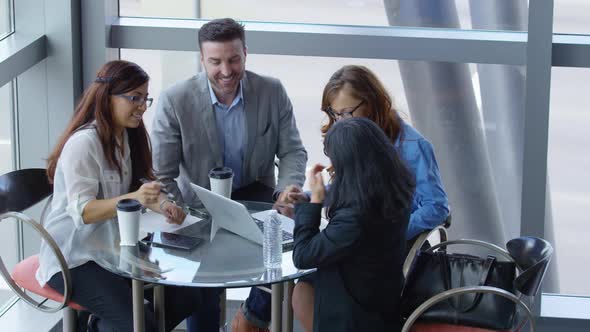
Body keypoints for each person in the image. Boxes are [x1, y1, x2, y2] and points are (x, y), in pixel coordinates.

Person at [150, 18, 307, 332]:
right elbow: (162, 174)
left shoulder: (271, 91)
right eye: (215, 61)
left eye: (234, 59)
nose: (226, 70)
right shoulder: (174, 100)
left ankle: (249, 319)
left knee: (294, 247)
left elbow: (292, 152)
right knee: (205, 285)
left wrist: (286, 189)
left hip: (256, 194)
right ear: (202, 58)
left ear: (245, 53)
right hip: (197, 202)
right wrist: (180, 212)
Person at [36, 60, 205, 332]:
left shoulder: (127, 136)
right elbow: (84, 212)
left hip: (112, 250)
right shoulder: (83, 144)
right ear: (107, 97)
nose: (142, 106)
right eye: (134, 98)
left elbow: (142, 183)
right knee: (140, 325)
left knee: (188, 295)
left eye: (145, 98)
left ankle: (100, 323)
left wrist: (163, 204)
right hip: (73, 259)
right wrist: (135, 199)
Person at [282, 65, 450, 332]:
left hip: (390, 247)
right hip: (355, 237)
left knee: (308, 270)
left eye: (348, 112)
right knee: (299, 284)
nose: (341, 121)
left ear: (371, 103)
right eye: (335, 114)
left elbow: (437, 207)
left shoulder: (412, 146)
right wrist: (307, 197)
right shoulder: (350, 139)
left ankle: (249, 319)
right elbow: (351, 192)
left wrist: (380, 231)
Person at [293, 117, 415, 331]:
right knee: (303, 287)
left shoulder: (355, 217)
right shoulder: (394, 190)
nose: (332, 167)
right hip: (383, 300)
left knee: (302, 286)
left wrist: (314, 203)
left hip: (355, 315)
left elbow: (302, 255)